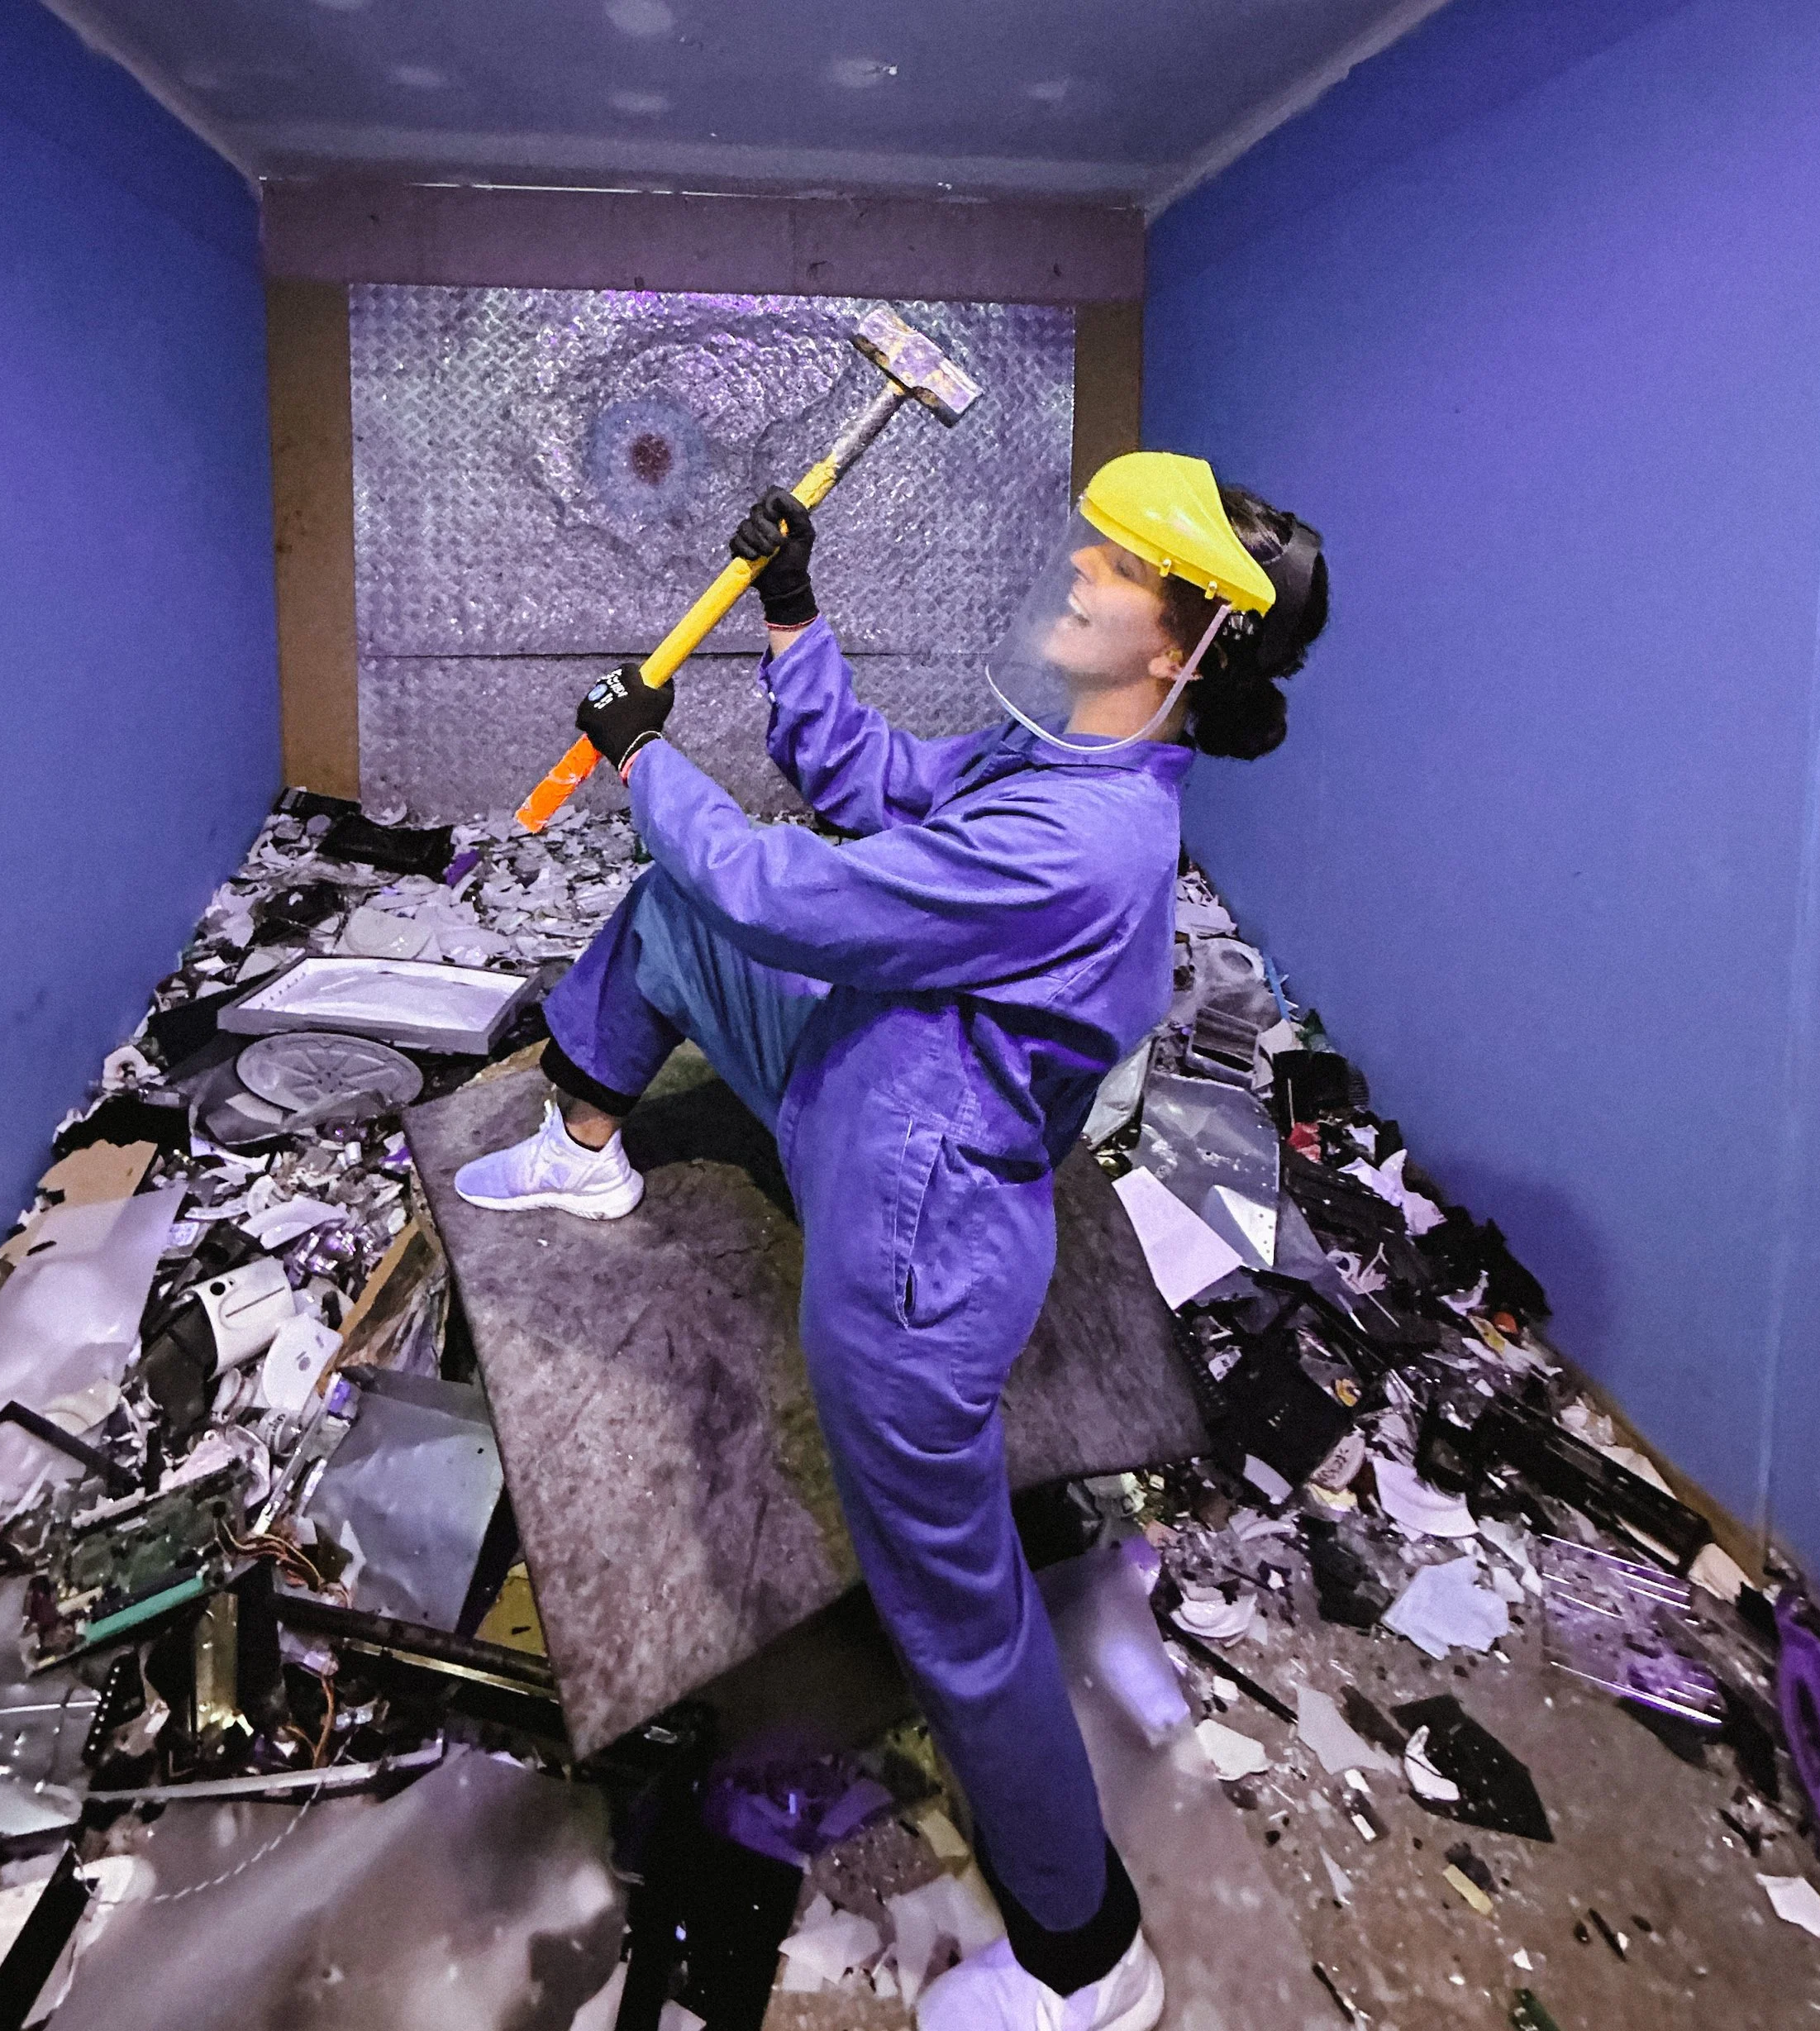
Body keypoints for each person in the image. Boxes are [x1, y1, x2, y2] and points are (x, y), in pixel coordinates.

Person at [456, 453, 1328, 2030]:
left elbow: (797, 893)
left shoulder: (1088, 845)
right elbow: (868, 785)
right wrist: (793, 615)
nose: (1080, 570)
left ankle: (1089, 1957)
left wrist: (646, 761)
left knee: (960, 1618)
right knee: (673, 916)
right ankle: (581, 1149)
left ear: (1182, 642)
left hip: (911, 1254)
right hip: (852, 1098)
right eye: (1094, 546)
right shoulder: (1051, 760)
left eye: (1119, 567)